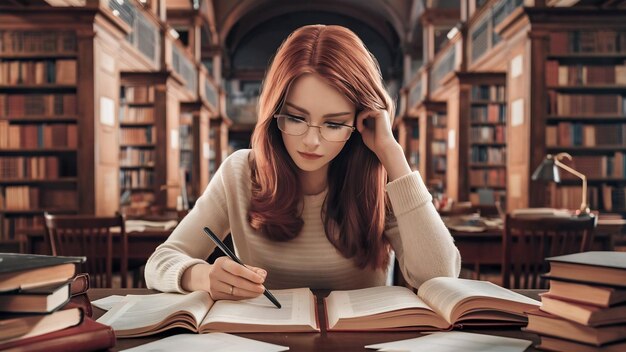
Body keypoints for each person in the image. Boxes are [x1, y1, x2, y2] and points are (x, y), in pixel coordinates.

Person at [145, 24, 460, 301]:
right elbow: (161, 262)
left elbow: (441, 277)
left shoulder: (382, 180)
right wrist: (201, 276)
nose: (311, 141)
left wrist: (391, 152)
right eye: (295, 118)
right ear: (273, 114)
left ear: (360, 122)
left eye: (334, 124)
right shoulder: (240, 172)